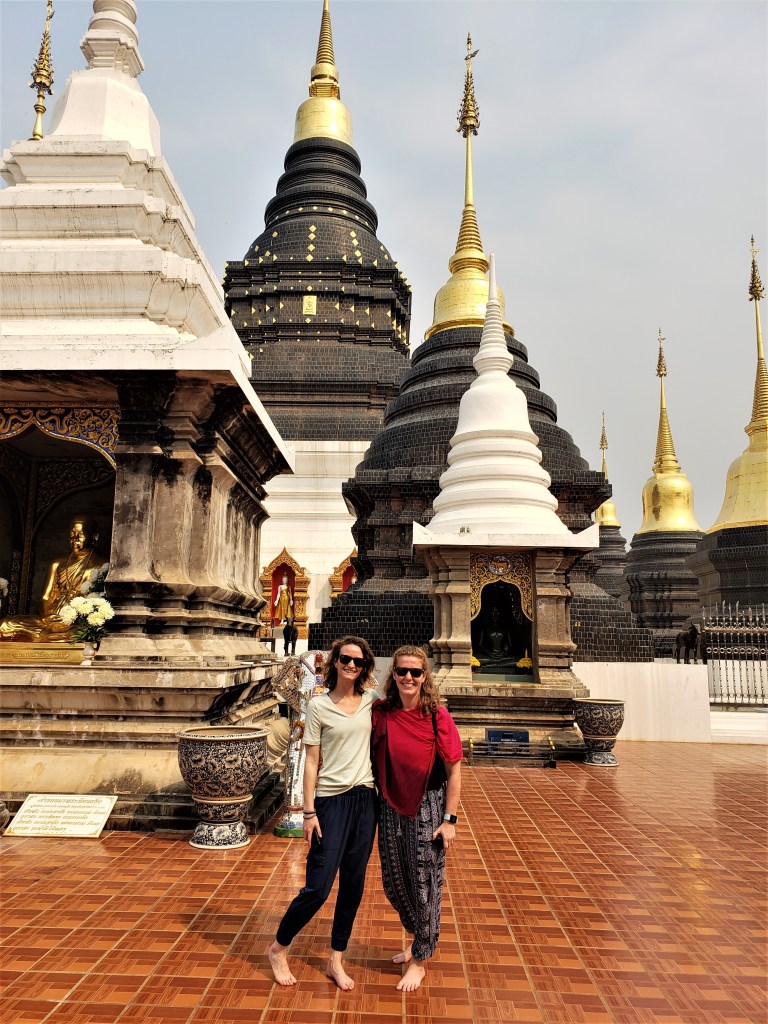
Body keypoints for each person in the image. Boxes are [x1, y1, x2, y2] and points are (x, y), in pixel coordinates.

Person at [268, 635, 378, 991]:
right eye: (345, 659)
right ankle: (279, 947)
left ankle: (336, 958)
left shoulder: (372, 702)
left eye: (358, 661)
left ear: (365, 667)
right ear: (335, 662)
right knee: (318, 886)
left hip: (365, 800)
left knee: (353, 886)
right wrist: (308, 811)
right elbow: (311, 761)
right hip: (331, 802)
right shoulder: (319, 706)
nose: (351, 665)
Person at [371, 645, 463, 992]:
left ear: (425, 677)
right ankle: (416, 939)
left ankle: (421, 959)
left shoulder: (437, 716)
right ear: (393, 674)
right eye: (402, 671)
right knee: (395, 881)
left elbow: (454, 770)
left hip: (427, 804)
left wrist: (449, 819)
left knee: (424, 883)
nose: (408, 677)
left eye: (415, 672)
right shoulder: (382, 712)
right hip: (389, 805)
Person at [0, 517, 108, 642]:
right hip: (50, 619)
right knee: (5, 624)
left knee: (89, 631)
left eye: (81, 535)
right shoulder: (57, 563)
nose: (75, 539)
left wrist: (75, 618)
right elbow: (46, 597)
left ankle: (52, 636)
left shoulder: (102, 564)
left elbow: (100, 601)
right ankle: (52, 636)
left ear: (95, 537)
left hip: (77, 622)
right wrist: (48, 616)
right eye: (72, 534)